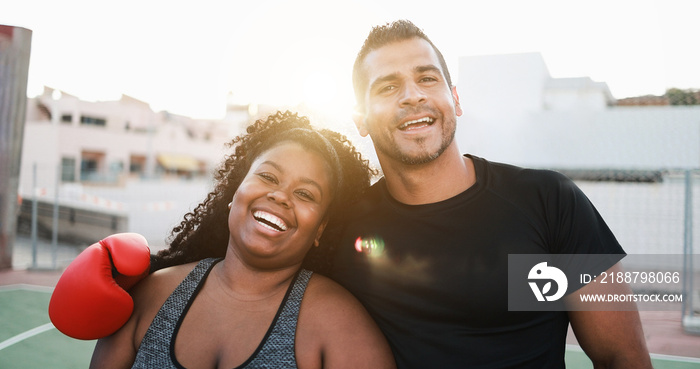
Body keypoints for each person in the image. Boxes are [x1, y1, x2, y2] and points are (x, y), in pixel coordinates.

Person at [327, 19, 652, 368]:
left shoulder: (550, 201)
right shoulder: (341, 231)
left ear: (454, 99)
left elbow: (623, 357)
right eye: (388, 87)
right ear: (360, 118)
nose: (413, 95)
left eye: (427, 78)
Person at [88, 111, 396, 369]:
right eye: (268, 177)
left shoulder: (341, 325)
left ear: (320, 229)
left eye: (304, 194)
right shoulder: (152, 294)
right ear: (234, 194)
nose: (280, 196)